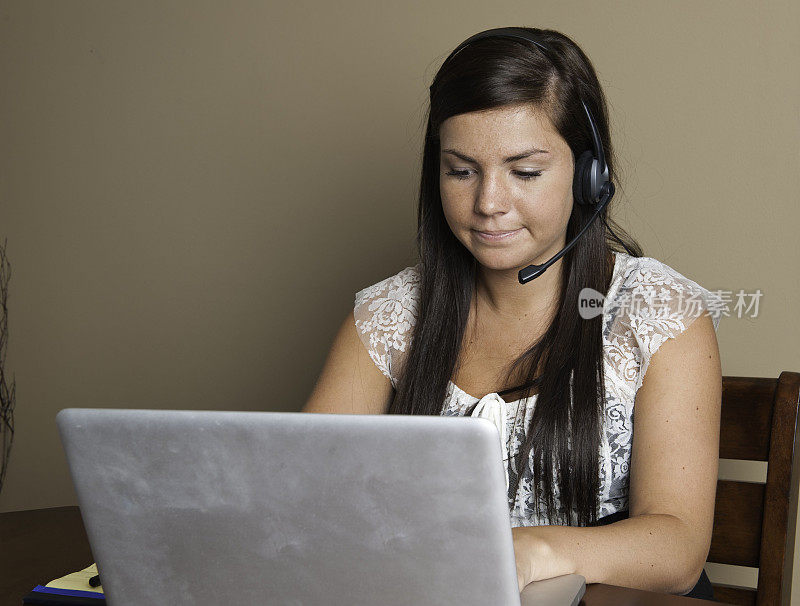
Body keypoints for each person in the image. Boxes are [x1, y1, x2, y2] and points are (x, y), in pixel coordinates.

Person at [302, 26, 722, 601]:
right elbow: (301, 502)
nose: (488, 204)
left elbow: (676, 548)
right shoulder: (387, 316)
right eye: (461, 170)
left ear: (588, 175)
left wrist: (533, 550)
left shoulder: (658, 312)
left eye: (524, 172)